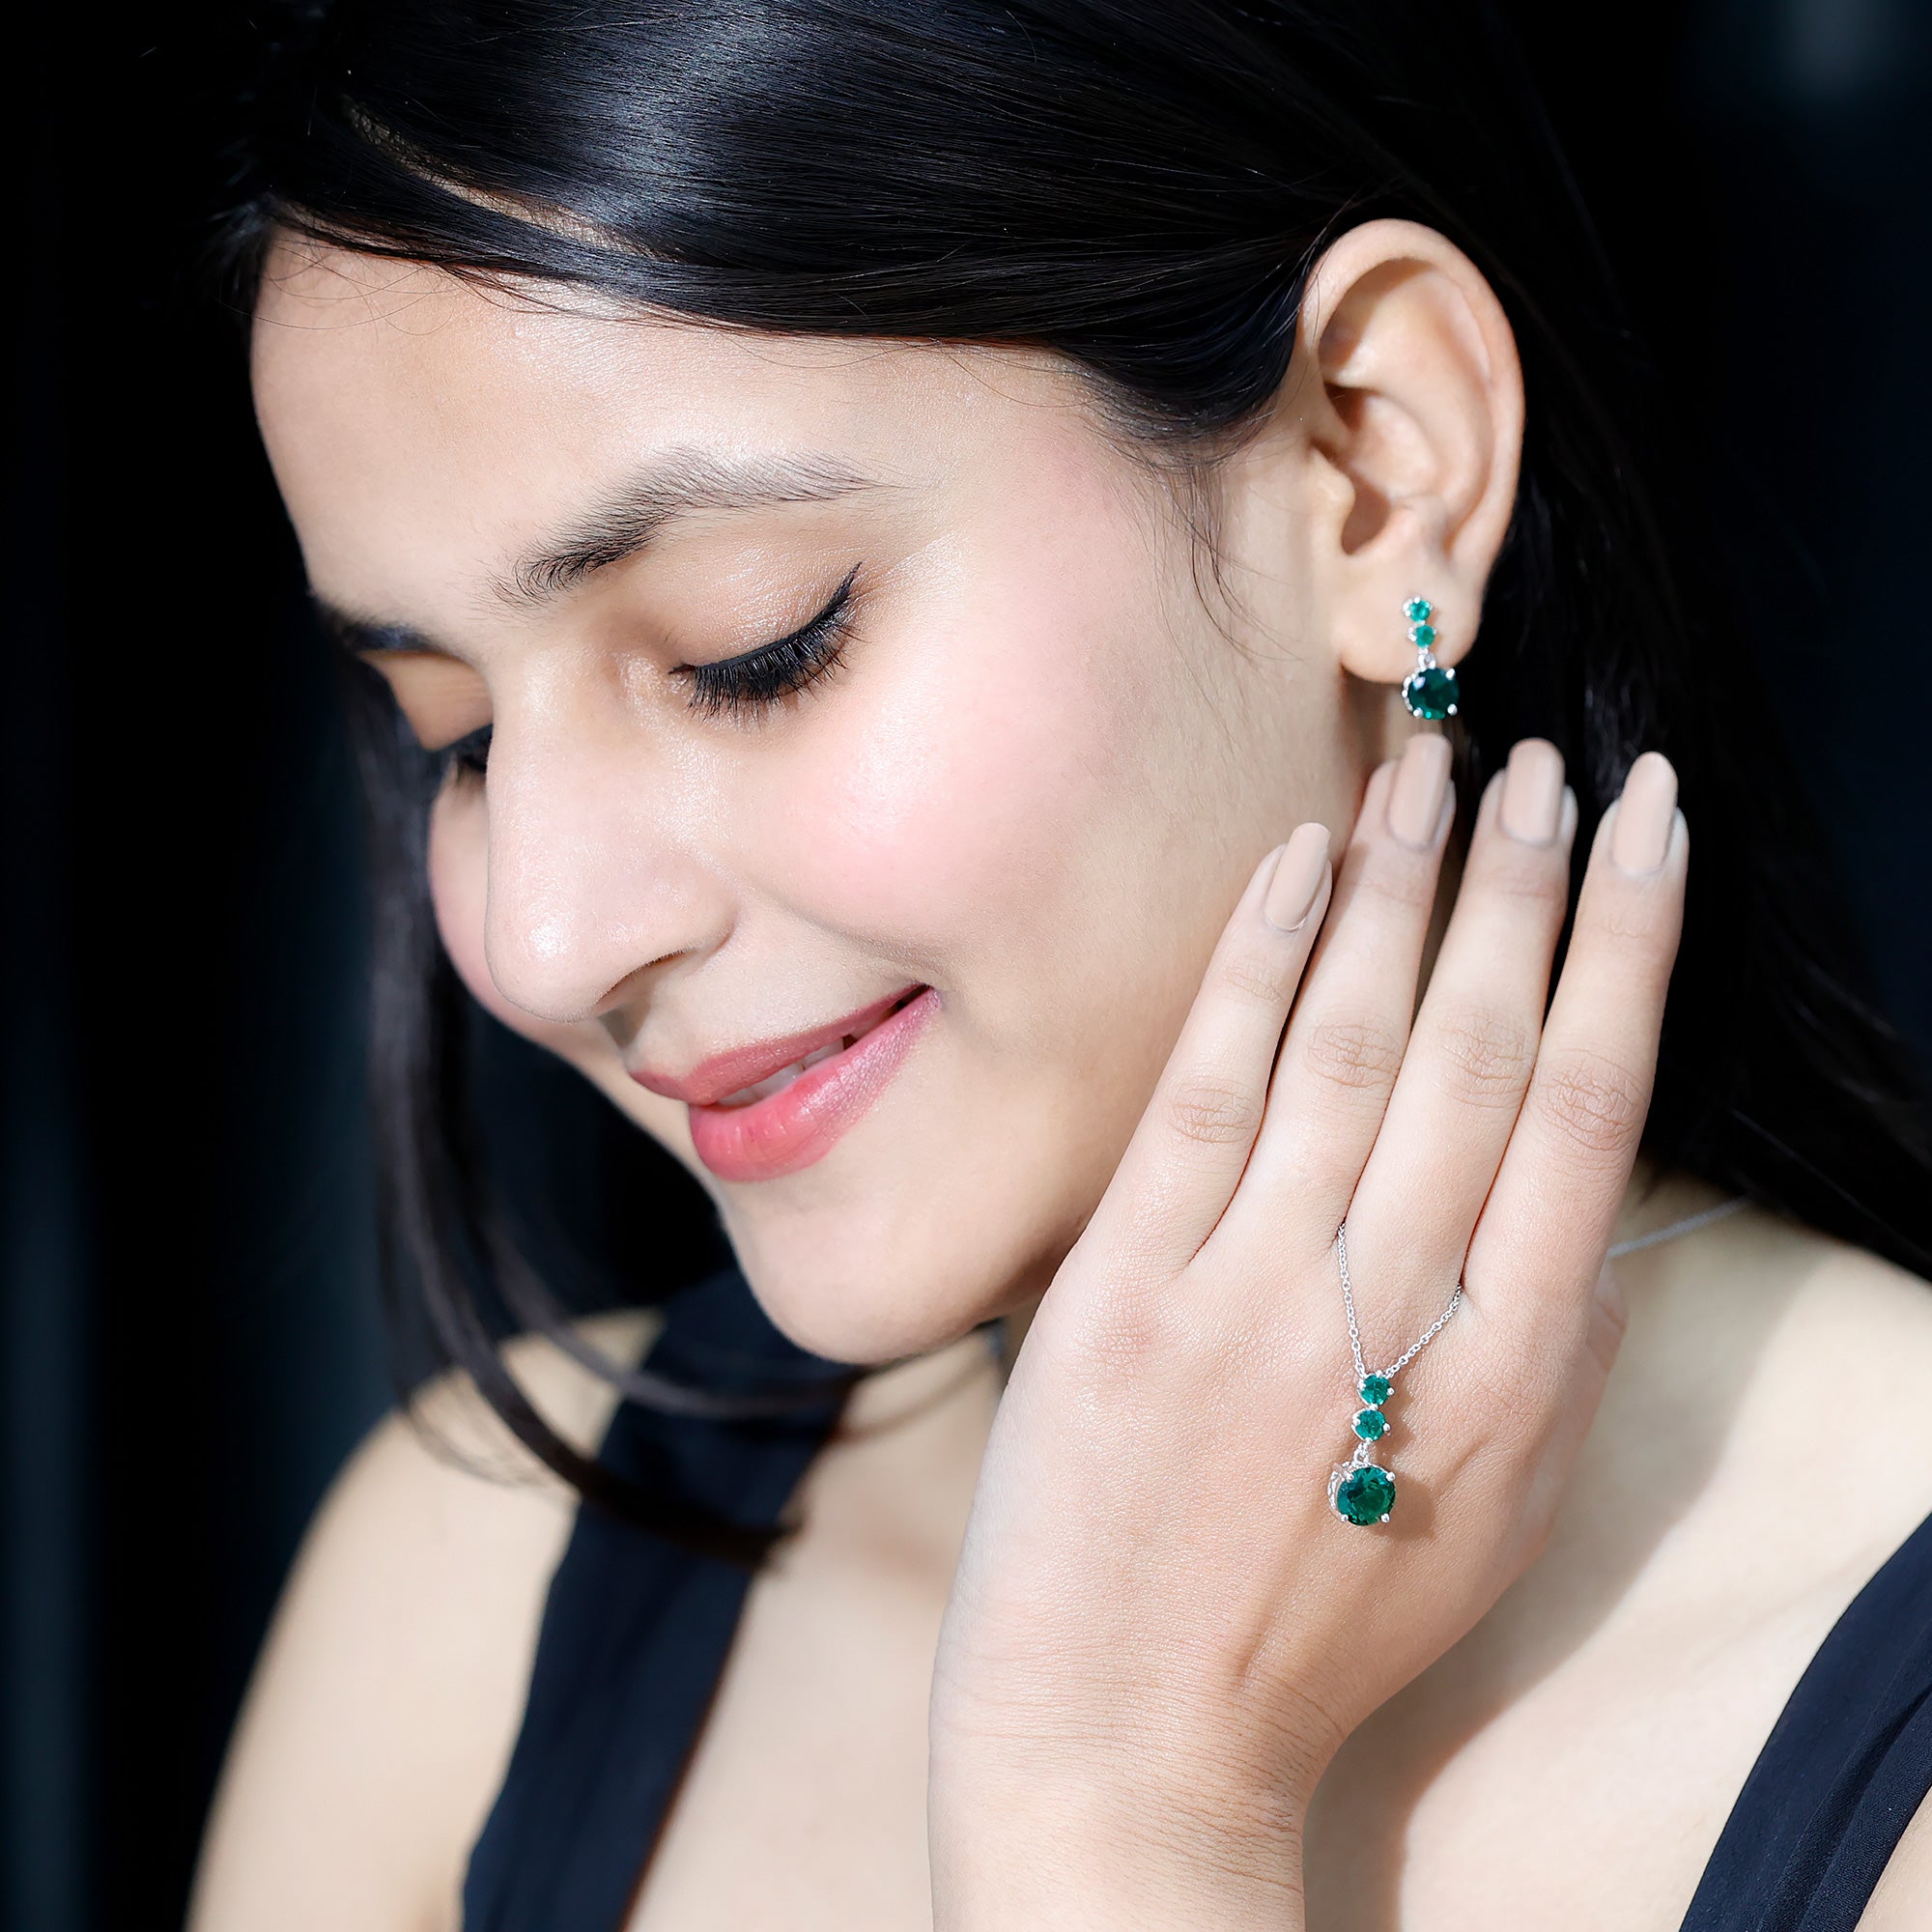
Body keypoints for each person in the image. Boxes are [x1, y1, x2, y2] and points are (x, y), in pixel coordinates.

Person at [187, 3, 1932, 1926]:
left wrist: (1113, 1804)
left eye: (753, 647)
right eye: (455, 738)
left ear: (1376, 467)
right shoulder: (473, 1593)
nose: (545, 939)